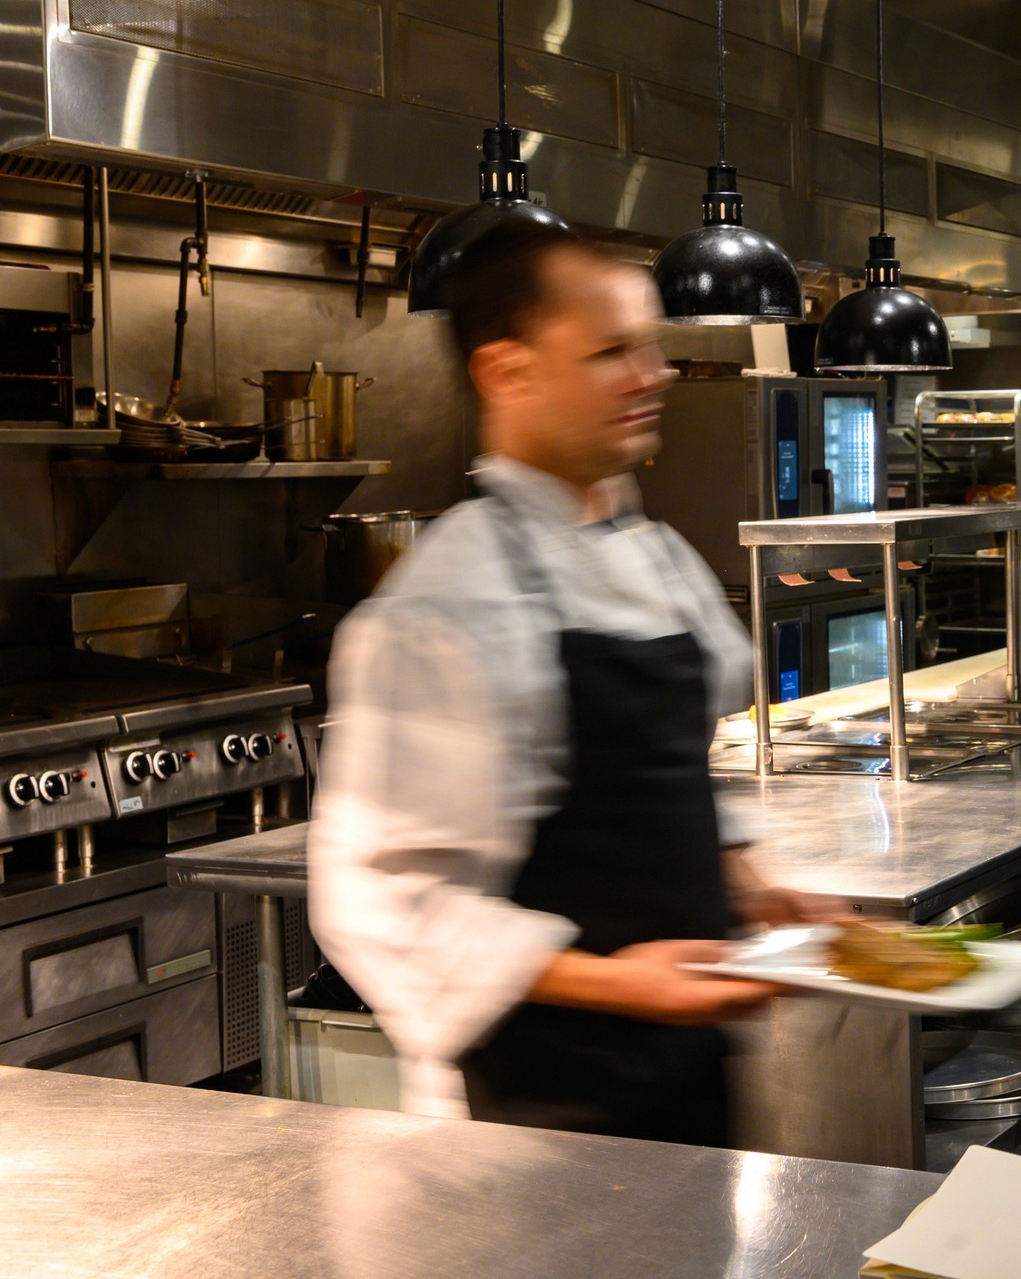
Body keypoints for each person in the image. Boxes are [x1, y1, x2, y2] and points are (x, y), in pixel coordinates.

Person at [311, 224, 817, 1146]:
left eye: (651, 346)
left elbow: (660, 776)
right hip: (540, 1110)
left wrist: (751, 887)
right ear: (507, 372)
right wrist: (623, 982)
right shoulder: (447, 605)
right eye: (611, 352)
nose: (654, 375)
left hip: (688, 1073)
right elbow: (384, 900)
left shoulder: (655, 555)